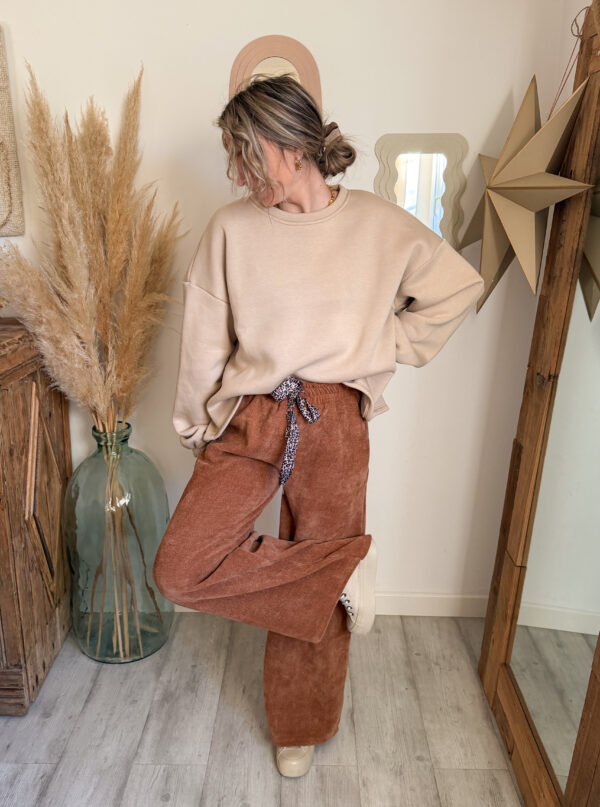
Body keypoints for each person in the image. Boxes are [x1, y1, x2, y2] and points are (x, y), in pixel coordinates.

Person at [152, 72, 485, 779]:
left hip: (335, 417)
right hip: (252, 411)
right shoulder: (230, 229)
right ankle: (343, 571)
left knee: (319, 563)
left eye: (246, 155)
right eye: (232, 158)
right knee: (180, 569)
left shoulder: (377, 224)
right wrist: (196, 425)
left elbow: (459, 286)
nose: (236, 174)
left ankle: (300, 723)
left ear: (291, 146)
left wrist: (383, 345)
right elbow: (205, 338)